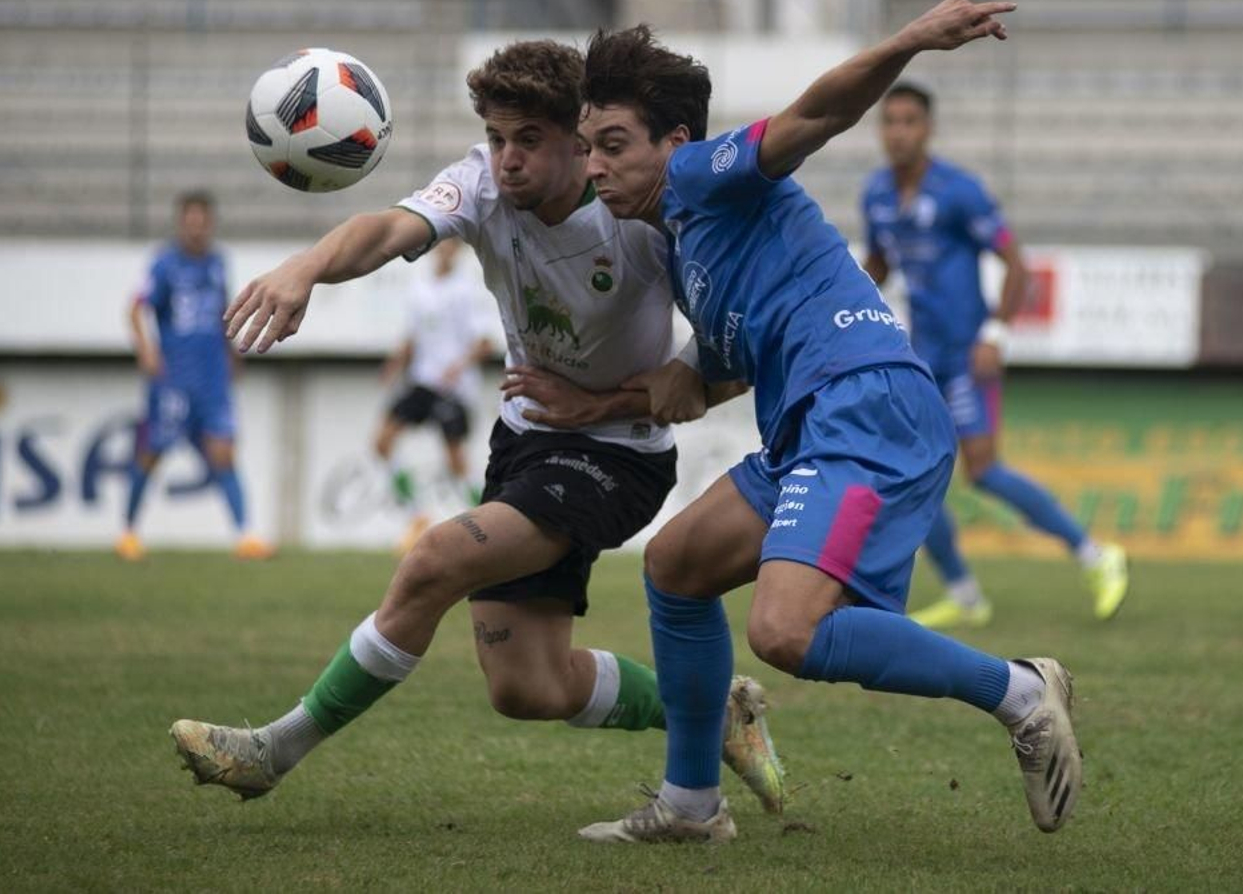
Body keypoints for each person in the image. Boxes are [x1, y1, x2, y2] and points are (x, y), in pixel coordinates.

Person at [168, 41, 783, 815]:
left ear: (580, 141)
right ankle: (712, 712)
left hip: (618, 456)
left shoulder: (643, 220)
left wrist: (611, 401)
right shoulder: (482, 186)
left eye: (529, 139)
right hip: (525, 439)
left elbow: (739, 355)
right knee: (529, 685)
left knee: (436, 557)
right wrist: (307, 268)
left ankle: (270, 751)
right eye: (497, 138)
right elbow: (387, 229)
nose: (507, 160)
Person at [575, 0, 1081, 845]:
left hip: (867, 408)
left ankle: (1022, 690)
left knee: (783, 629)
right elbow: (724, 369)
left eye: (613, 145)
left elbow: (816, 114)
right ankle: (693, 805)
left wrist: (912, 38)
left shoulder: (702, 171)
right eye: (589, 147)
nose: (595, 166)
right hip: (815, 426)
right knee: (674, 567)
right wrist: (629, 393)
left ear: (673, 141)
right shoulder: (691, 247)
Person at [861, 84, 1129, 627]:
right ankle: (964, 595)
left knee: (982, 471)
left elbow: (1017, 263)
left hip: (965, 353)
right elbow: (880, 266)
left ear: (928, 128)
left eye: (909, 121)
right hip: (921, 356)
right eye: (890, 121)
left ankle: (1096, 556)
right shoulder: (877, 195)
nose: (898, 132)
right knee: (909, 475)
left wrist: (996, 336)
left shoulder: (959, 191)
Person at [120, 191, 270, 562]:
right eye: (191, 220)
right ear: (181, 222)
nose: (197, 227)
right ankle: (127, 533)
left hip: (213, 377)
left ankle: (246, 536)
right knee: (152, 452)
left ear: (210, 223)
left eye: (203, 220)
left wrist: (233, 353)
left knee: (224, 452)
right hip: (173, 378)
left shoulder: (219, 263)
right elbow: (136, 309)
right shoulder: (164, 264)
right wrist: (147, 350)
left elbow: (223, 312)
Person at [371, 236, 498, 548]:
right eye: (440, 244)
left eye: (451, 245)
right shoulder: (420, 288)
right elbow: (413, 336)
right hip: (422, 382)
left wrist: (460, 365)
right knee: (382, 442)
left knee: (455, 460)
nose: (444, 250)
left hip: (454, 388)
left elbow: (485, 341)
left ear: (459, 250)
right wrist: (395, 364)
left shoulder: (467, 290)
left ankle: (486, 526)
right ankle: (417, 517)